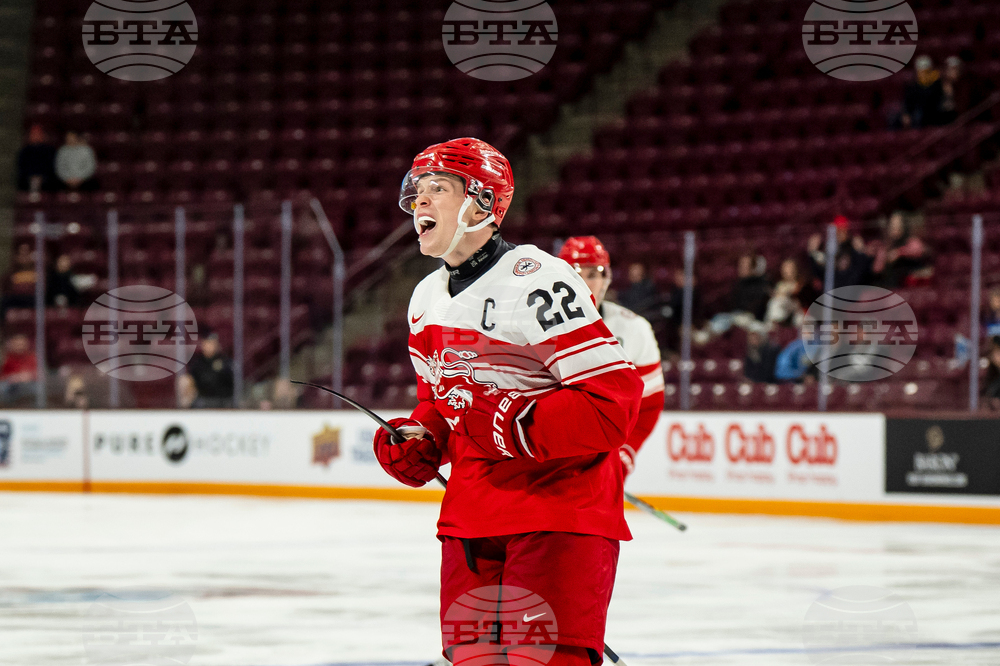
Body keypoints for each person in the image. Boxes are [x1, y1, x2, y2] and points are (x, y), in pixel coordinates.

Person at [372, 138, 642, 666]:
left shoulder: (538, 280)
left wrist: (511, 422)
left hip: (559, 514)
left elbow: (613, 405)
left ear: (482, 204)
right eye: (418, 191)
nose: (420, 202)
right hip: (472, 519)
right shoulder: (425, 297)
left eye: (438, 189)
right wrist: (424, 438)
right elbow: (443, 400)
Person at [558, 236, 665, 477]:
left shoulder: (634, 329)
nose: (584, 282)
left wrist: (626, 452)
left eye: (593, 273)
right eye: (575, 273)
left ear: (606, 278)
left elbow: (650, 402)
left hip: (603, 465)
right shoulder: (532, 327)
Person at [870, 213, 932, 288]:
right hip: (891, 286)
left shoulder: (912, 242)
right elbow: (876, 269)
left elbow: (920, 250)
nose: (895, 227)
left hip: (910, 287)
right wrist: (883, 257)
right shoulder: (885, 246)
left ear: (904, 226)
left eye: (898, 224)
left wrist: (899, 253)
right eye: (892, 225)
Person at [185, 332, 234, 408]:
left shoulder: (225, 361)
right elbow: (191, 379)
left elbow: (231, 382)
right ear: (203, 344)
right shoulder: (197, 362)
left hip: (222, 399)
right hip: (202, 398)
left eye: (212, 343)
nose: (210, 346)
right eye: (207, 343)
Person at [900, 55, 944, 129]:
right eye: (921, 72)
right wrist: (906, 114)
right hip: (916, 113)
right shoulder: (912, 86)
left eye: (926, 72)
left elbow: (936, 102)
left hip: (931, 113)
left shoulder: (936, 85)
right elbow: (908, 103)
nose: (924, 74)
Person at [1, 243, 38, 319]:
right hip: (16, 298)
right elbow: (6, 288)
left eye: (26, 253)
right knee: (4, 301)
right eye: (21, 254)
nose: (24, 257)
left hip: (31, 299)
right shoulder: (12, 272)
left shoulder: (37, 271)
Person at [16, 124, 57, 193]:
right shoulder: (24, 151)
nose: (36, 136)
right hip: (28, 180)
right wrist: (31, 178)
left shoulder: (50, 150)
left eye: (38, 134)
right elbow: (22, 168)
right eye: (33, 134)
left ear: (43, 135)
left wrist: (42, 178)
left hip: (46, 180)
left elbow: (51, 167)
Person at [0, 334, 39, 404]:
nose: (20, 347)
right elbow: (2, 376)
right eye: (17, 345)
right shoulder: (6, 358)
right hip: (10, 386)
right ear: (12, 345)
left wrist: (28, 376)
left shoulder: (32, 357)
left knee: (38, 388)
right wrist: (12, 378)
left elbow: (39, 374)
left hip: (28, 385)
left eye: (22, 344)